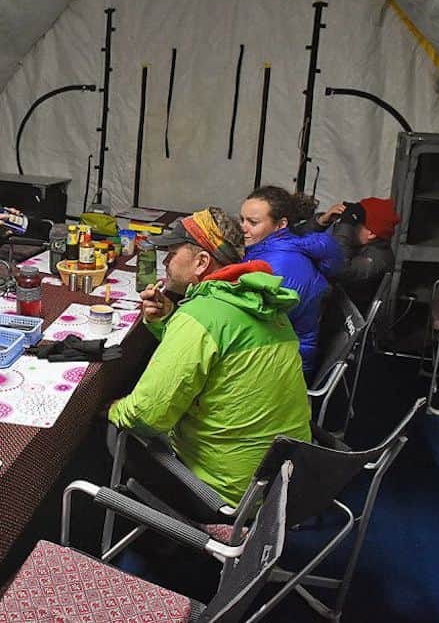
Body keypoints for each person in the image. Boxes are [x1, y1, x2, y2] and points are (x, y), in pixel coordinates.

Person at [107, 207, 310, 506]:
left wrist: (113, 409)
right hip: (285, 483)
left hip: (228, 494)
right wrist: (170, 321)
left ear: (202, 262)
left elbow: (146, 416)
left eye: (172, 253)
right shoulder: (259, 302)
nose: (165, 261)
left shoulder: (200, 317)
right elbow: (219, 361)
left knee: (113, 430)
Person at [240, 186, 343, 379]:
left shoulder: (279, 268)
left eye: (252, 222)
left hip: (284, 369)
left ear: (280, 225)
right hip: (283, 350)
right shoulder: (279, 249)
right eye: (242, 219)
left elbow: (248, 327)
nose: (242, 227)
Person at [299, 197, 399, 312]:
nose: (345, 226)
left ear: (371, 234)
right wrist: (321, 222)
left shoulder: (380, 259)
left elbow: (338, 269)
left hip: (337, 320)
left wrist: (345, 225)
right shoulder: (350, 242)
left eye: (353, 223)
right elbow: (292, 239)